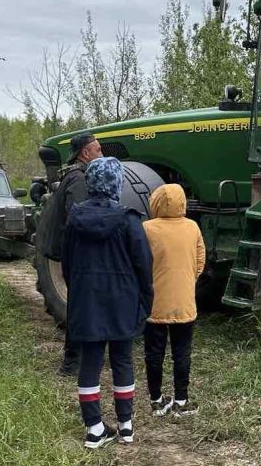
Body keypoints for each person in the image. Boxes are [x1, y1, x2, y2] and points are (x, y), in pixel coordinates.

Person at [61, 157, 153, 448]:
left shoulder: (74, 219)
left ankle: (94, 429)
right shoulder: (129, 220)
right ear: (117, 183)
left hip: (87, 301)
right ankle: (126, 426)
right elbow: (144, 265)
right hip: (122, 302)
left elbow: (67, 264)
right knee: (122, 361)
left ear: (90, 182)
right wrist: (145, 301)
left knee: (90, 362)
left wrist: (79, 292)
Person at [141, 183, 205, 417]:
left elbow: (140, 261)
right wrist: (188, 280)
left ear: (156, 202)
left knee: (154, 353)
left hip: (154, 303)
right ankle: (181, 400)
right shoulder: (192, 227)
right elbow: (200, 260)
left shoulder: (146, 228)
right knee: (182, 352)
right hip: (184, 302)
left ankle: (157, 401)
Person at [47, 132, 103, 375]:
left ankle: (84, 358)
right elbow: (79, 218)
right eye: (98, 150)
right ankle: (71, 363)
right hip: (77, 255)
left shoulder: (75, 176)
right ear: (85, 153)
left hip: (75, 253)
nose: (102, 154)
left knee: (83, 305)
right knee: (80, 307)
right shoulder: (79, 180)